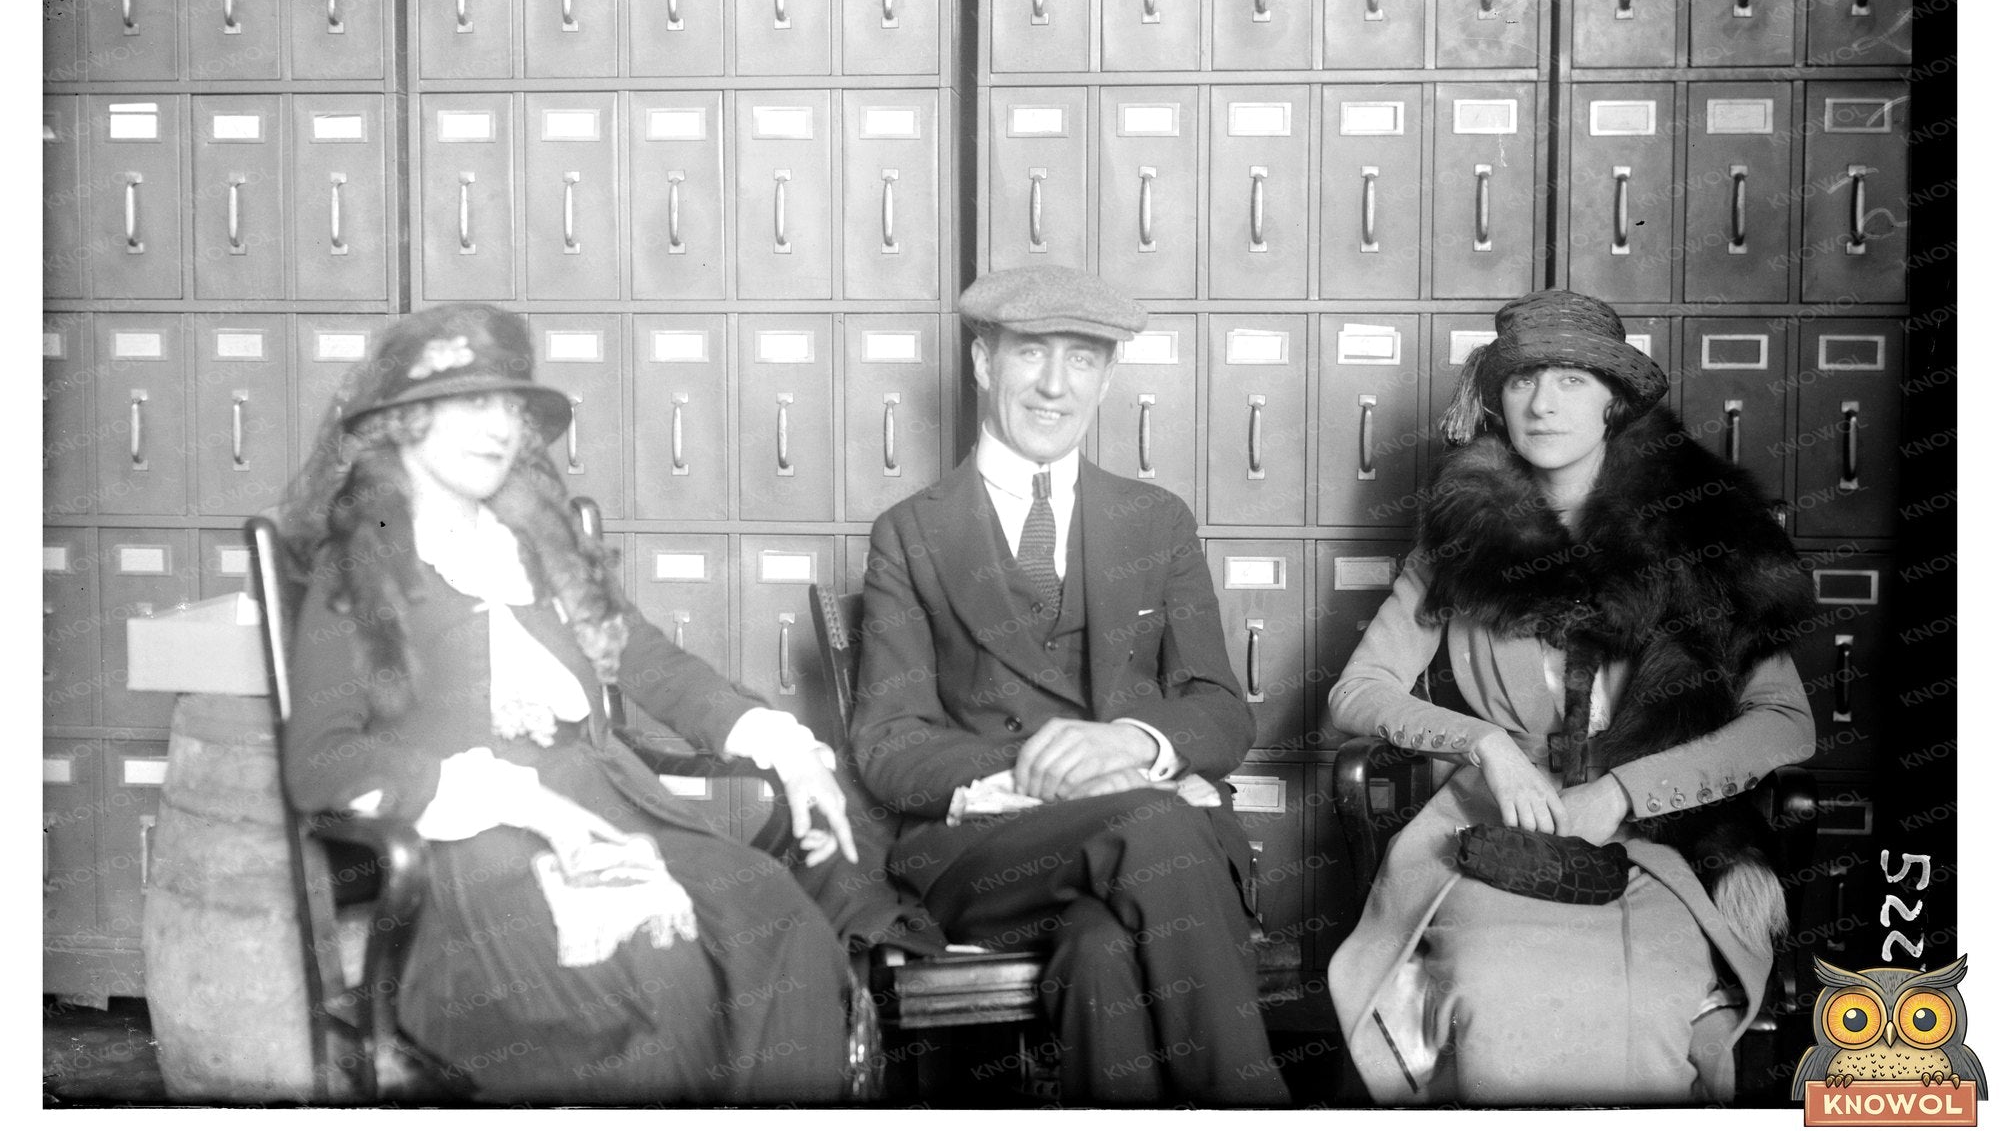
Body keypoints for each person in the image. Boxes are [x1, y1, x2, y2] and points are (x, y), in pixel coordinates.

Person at [277, 303, 859, 1102]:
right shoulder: (365, 558)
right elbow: (321, 761)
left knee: (779, 924)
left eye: (510, 407)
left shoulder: (538, 542)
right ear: (407, 420)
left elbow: (648, 660)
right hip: (481, 860)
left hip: (619, 809)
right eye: (470, 403)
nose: (500, 428)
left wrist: (783, 747)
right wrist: (512, 795)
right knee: (661, 983)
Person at [1325, 288, 1817, 1105]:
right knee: (1492, 990)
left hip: (1659, 840)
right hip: (1491, 831)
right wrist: (1480, 746)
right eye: (1521, 381)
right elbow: (1358, 690)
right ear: (1494, 398)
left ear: (1614, 400)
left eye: (1573, 380)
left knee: (1648, 999)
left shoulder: (1699, 541)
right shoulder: (1461, 539)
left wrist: (1624, 789)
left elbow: (1785, 723)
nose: (1543, 404)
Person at [849, 265, 1289, 1104]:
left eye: (1083, 359)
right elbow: (887, 746)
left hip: (1146, 867)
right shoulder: (911, 533)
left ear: (1108, 376)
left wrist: (1128, 743)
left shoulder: (1155, 521)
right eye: (1032, 355)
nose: (1055, 386)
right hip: (996, 856)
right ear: (984, 364)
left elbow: (1222, 712)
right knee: (1152, 823)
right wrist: (1045, 769)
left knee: (1099, 954)